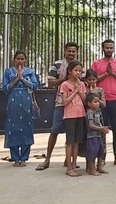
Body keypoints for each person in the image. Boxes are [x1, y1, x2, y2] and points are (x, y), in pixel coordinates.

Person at [36, 42, 79, 171]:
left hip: (75, 104)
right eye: (69, 51)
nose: (71, 53)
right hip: (60, 103)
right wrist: (64, 79)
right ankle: (47, 159)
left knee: (72, 133)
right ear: (65, 51)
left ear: (76, 52)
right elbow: (50, 82)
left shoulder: (79, 66)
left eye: (73, 51)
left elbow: (82, 82)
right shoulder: (57, 65)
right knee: (54, 131)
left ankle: (69, 160)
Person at [91, 38, 116, 167]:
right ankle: (102, 157)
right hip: (100, 101)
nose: (109, 50)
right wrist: (106, 73)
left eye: (111, 48)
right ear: (103, 49)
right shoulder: (96, 63)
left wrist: (113, 74)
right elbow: (92, 80)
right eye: (107, 47)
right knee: (102, 129)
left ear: (114, 49)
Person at [2, 50, 39, 167]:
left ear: (25, 60)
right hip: (13, 101)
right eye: (18, 59)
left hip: (26, 101)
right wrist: (16, 79)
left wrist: (22, 78)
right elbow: (5, 88)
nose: (20, 61)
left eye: (22, 59)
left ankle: (24, 158)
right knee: (13, 128)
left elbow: (35, 86)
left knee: (26, 127)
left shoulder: (30, 71)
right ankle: (15, 157)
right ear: (14, 59)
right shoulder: (8, 72)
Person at [60, 60, 86, 177]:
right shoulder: (65, 85)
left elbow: (85, 100)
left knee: (76, 142)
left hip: (80, 114)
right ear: (70, 71)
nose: (78, 73)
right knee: (70, 142)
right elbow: (65, 102)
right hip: (69, 115)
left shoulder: (82, 84)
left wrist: (79, 91)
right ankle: (69, 167)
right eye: (76, 70)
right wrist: (74, 91)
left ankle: (74, 164)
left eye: (80, 71)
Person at [85, 93, 110, 176]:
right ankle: (91, 169)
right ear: (89, 104)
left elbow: (100, 122)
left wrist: (103, 127)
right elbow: (91, 125)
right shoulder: (90, 112)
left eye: (98, 101)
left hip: (99, 135)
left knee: (100, 151)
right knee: (93, 152)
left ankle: (99, 167)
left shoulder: (98, 111)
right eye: (95, 102)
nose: (97, 103)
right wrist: (101, 129)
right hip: (92, 136)